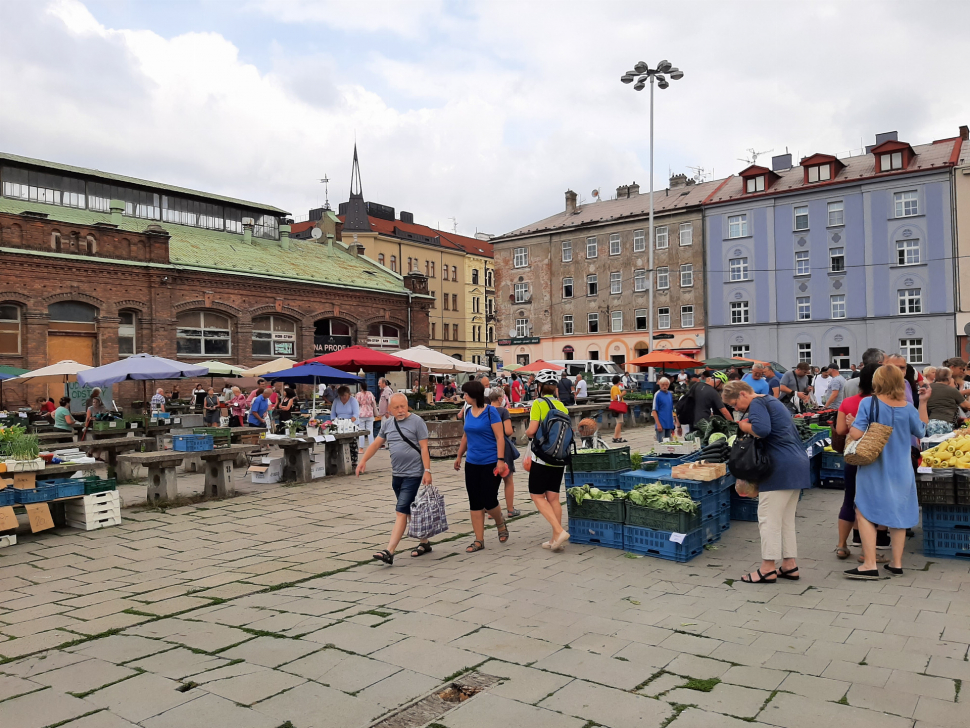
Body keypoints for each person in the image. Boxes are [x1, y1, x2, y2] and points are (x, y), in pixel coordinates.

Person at [721, 380, 810, 584]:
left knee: (768, 518)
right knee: (785, 520)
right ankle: (789, 565)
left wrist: (743, 425)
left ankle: (767, 568)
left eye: (735, 404)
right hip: (796, 463)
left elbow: (762, 430)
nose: (736, 409)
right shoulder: (772, 400)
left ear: (743, 394)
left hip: (779, 467)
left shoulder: (758, 403)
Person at [845, 365, 928, 579]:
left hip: (874, 467)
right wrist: (924, 402)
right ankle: (897, 564)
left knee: (863, 511)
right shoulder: (908, 406)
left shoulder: (868, 403)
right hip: (901, 468)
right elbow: (921, 430)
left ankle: (869, 564)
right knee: (898, 514)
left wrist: (852, 423)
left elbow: (855, 434)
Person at [357, 392, 433, 565]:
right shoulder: (388, 424)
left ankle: (389, 551)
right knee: (407, 511)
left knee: (401, 511)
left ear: (407, 406)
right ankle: (424, 543)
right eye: (396, 407)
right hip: (397, 474)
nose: (400, 410)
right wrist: (363, 460)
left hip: (413, 474)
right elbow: (376, 443)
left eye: (403, 406)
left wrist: (427, 470)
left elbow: (424, 447)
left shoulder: (417, 422)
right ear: (389, 409)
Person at [453, 380, 509, 553]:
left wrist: (500, 460)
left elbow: (500, 437)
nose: (464, 397)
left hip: (491, 462)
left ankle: (500, 524)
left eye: (466, 394)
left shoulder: (491, 412)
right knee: (475, 501)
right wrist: (459, 455)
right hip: (472, 463)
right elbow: (466, 436)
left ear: (474, 395)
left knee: (489, 499)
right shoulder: (468, 412)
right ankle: (479, 540)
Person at [833, 364, 879, 561]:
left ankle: (842, 545)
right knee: (872, 501)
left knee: (849, 498)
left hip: (853, 455)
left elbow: (841, 430)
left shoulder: (849, 402)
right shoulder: (882, 403)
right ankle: (868, 551)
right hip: (876, 459)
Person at [525, 370, 570, 551]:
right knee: (553, 497)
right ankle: (554, 540)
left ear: (540, 387)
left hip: (542, 458)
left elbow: (531, 430)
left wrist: (527, 433)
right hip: (559, 457)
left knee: (537, 495)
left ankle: (559, 531)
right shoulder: (562, 406)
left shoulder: (538, 403)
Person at [488, 389, 520, 518]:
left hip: (489, 447)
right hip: (503, 448)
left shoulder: (485, 411)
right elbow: (508, 431)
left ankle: (492, 510)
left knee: (491, 480)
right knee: (508, 478)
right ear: (500, 399)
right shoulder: (503, 411)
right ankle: (510, 509)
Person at [925, 367, 970, 435]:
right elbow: (967, 406)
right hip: (946, 423)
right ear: (949, 377)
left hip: (930, 423)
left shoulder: (928, 388)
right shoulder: (952, 390)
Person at [355, 382, 377, 449]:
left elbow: (356, 404)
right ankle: (372, 447)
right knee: (370, 431)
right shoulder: (370, 393)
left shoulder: (358, 394)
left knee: (361, 431)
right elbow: (373, 403)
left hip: (361, 413)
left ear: (361, 387)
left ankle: (361, 447)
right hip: (370, 413)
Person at [609, 375, 627, 443]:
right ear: (618, 381)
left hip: (618, 407)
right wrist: (623, 394)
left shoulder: (615, 388)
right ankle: (615, 437)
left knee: (620, 422)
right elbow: (616, 397)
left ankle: (619, 437)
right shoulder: (615, 388)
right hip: (618, 407)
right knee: (619, 422)